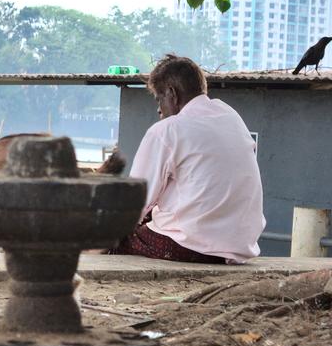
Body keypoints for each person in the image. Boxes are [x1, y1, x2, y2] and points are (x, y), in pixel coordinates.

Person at [111, 54, 265, 264]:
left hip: (190, 246)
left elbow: (135, 202)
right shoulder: (231, 116)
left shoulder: (167, 130)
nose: (158, 109)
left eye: (159, 99)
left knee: (112, 236)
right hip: (239, 247)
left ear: (172, 94)